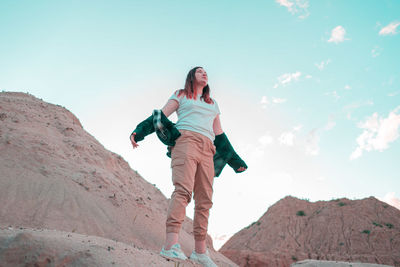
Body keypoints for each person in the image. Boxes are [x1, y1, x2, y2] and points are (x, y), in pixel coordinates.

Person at [130, 66, 247, 267]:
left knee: (205, 200)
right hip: (186, 142)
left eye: (206, 72)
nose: (204, 73)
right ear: (191, 76)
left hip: (208, 149)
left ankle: (200, 252)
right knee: (183, 191)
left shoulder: (212, 103)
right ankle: (170, 245)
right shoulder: (181, 94)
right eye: (199, 71)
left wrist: (236, 162)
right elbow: (161, 116)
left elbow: (219, 135)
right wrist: (139, 131)